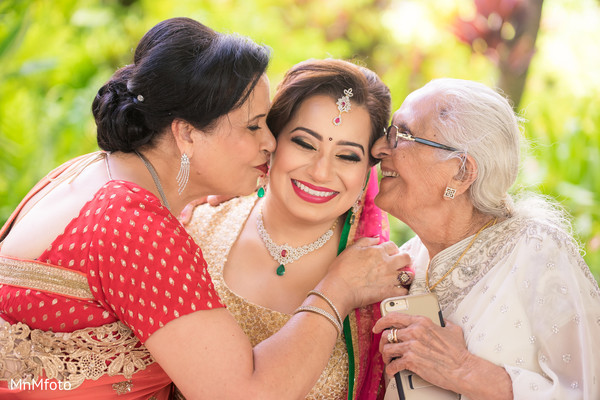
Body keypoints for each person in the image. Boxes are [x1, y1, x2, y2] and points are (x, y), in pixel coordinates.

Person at [0, 18, 411, 399]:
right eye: (254, 126)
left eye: (349, 156)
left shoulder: (89, 174)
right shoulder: (139, 226)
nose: (268, 143)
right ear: (187, 133)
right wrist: (336, 292)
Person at [184, 58, 412, 400]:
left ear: (368, 169)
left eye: (347, 156)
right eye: (305, 144)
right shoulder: (196, 226)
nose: (321, 172)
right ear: (272, 139)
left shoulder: (381, 281)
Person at [371, 78, 600, 399]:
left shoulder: (537, 251)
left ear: (461, 172)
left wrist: (463, 369)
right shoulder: (405, 261)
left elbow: (587, 389)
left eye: (401, 135)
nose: (379, 148)